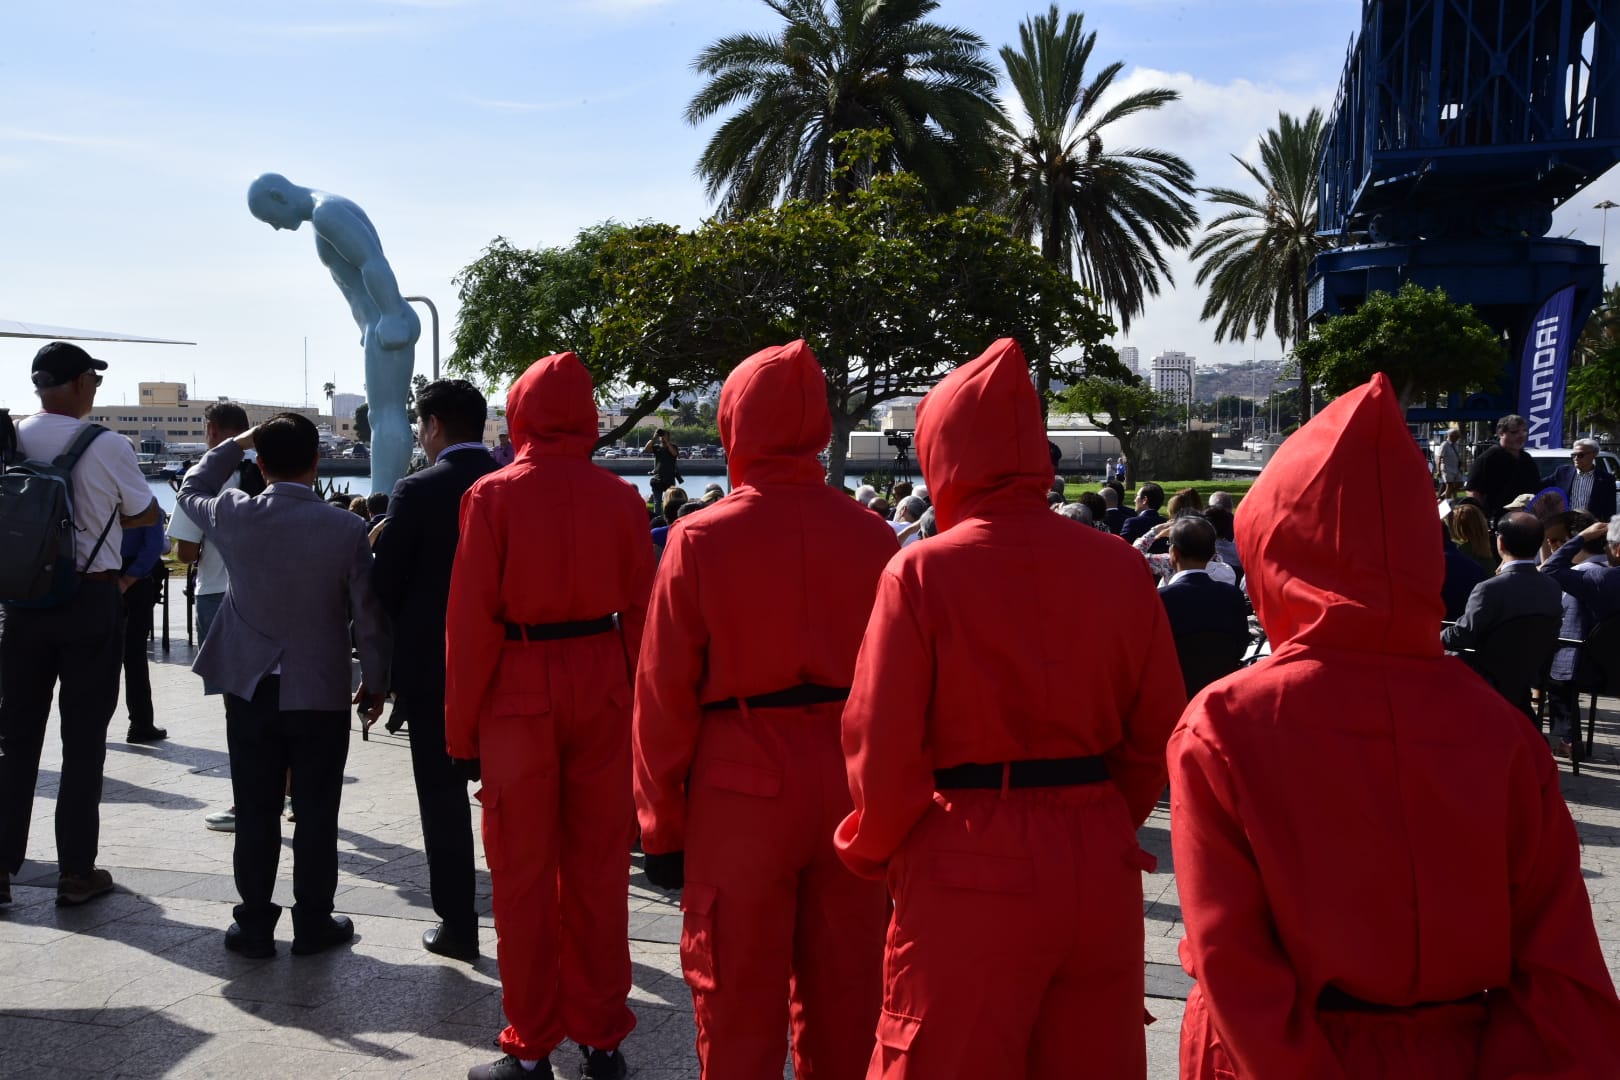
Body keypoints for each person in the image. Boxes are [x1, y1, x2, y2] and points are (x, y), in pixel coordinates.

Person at [1169, 374, 1620, 1078]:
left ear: (1272, 548)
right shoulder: (1499, 730)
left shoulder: (1223, 725)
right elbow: (1561, 972)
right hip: (1460, 1045)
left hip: (1280, 1050)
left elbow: (1234, 967)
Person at [836, 339, 1187, 1077]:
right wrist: (1097, 816)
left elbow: (884, 742)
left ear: (943, 452)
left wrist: (877, 851)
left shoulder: (924, 571)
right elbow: (1156, 732)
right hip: (1098, 856)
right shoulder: (1120, 566)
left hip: (969, 850)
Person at [634, 341, 897, 1080]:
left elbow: (663, 693)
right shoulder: (876, 536)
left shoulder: (700, 537)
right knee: (850, 998)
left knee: (736, 998)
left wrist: (659, 822)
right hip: (851, 782)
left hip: (739, 779)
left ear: (734, 422)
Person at [447, 352, 654, 1080]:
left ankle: (530, 1044)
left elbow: (471, 622)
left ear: (521, 412)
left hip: (519, 683)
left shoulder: (492, 496)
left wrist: (459, 726)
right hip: (603, 677)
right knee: (600, 869)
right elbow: (644, 616)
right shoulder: (624, 499)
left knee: (523, 875)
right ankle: (602, 1036)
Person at [178, 412, 390, 958]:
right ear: (317, 461)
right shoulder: (346, 528)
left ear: (261, 464)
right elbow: (367, 616)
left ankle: (253, 924)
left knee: (254, 806)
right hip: (319, 686)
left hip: (250, 685)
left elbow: (191, 486)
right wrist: (376, 681)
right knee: (318, 809)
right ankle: (314, 921)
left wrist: (234, 445)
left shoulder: (234, 514)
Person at [0, 342, 161, 907]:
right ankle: (75, 872)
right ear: (72, 384)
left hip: (20, 605)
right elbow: (144, 515)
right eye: (91, 378)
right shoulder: (107, 444)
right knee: (83, 741)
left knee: (13, 741)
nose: (94, 387)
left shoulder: (10, 436)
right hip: (90, 600)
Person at [370, 379, 497, 963]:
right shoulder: (509, 484)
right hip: (513, 665)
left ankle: (458, 923)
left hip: (433, 668)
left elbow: (385, 586)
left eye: (421, 426)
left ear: (435, 425)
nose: (419, 436)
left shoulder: (417, 489)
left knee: (442, 800)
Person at [247, 173, 421, 495]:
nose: (275, 226)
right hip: (377, 324)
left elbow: (372, 261)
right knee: (381, 416)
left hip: (387, 323)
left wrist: (391, 315)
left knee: (386, 415)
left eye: (271, 218)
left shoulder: (328, 212)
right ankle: (383, 496)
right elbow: (354, 282)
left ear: (278, 196)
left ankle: (383, 500)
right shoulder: (323, 214)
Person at [169, 402, 253, 832]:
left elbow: (183, 551)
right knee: (276, 697)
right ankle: (290, 792)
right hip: (269, 595)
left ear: (212, 429)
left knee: (236, 707)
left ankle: (247, 802)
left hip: (218, 594)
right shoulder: (267, 468)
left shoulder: (204, 476)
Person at [1440, 512, 1563, 656]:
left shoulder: (1488, 589)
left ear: (1501, 542)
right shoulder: (1552, 586)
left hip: (1480, 670)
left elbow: (1463, 635)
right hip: (1528, 672)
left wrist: (1430, 636)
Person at [119, 512, 169, 744]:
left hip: (96, 575)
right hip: (136, 581)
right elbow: (154, 544)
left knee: (93, 655)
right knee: (134, 655)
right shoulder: (143, 500)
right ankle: (140, 722)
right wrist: (131, 578)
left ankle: (88, 725)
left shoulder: (91, 491)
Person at [1464, 414, 1541, 521]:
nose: (1521, 436)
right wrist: (1484, 518)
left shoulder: (1526, 459)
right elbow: (1473, 491)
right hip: (1498, 520)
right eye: (1514, 432)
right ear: (1501, 433)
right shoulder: (1488, 458)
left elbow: (1536, 488)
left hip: (1526, 519)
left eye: (1523, 431)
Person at [1549, 438, 1616, 523]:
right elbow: (1538, 486)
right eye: (1574, 455)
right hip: (1564, 527)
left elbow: (1610, 510)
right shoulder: (1562, 473)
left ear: (1594, 454)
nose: (1576, 458)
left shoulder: (1606, 480)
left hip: (1591, 528)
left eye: (1580, 455)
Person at [645, 429, 683, 519]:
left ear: (668, 437)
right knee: (657, 502)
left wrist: (667, 442)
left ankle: (669, 518)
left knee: (670, 501)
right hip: (658, 479)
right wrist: (654, 438)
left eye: (664, 435)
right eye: (661, 436)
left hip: (669, 479)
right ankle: (657, 519)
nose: (662, 437)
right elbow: (646, 449)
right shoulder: (657, 447)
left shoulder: (673, 446)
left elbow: (674, 454)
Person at [1435, 425, 1465, 498]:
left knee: (1460, 483)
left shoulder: (1456, 444)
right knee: (1449, 485)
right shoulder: (1444, 444)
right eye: (1456, 436)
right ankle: (1448, 501)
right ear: (1451, 436)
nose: (1458, 438)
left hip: (1455, 468)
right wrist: (1438, 470)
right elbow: (1439, 457)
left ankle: (1443, 496)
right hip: (1447, 468)